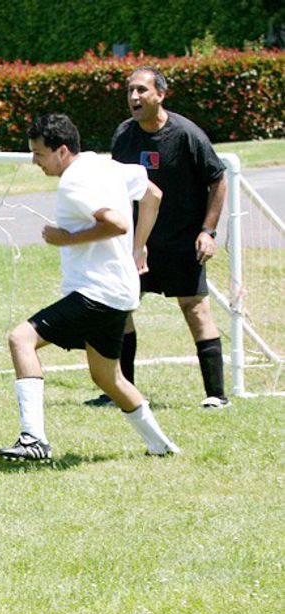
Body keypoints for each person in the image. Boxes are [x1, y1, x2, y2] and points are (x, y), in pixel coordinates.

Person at [0, 114, 180, 461]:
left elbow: (117, 223)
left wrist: (66, 238)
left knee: (21, 338)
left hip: (96, 292)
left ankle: (33, 439)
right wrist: (139, 247)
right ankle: (161, 446)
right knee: (108, 377)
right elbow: (153, 194)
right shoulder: (103, 164)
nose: (35, 162)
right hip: (120, 292)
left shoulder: (73, 182)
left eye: (39, 154)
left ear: (62, 151)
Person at [87, 65, 229, 409]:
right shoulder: (125, 135)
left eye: (142, 90)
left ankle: (216, 395)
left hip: (183, 241)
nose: (134, 97)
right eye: (130, 91)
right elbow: (119, 187)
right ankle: (121, 392)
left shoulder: (186, 135)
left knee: (195, 309)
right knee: (120, 308)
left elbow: (218, 180)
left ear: (161, 95)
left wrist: (207, 231)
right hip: (140, 244)